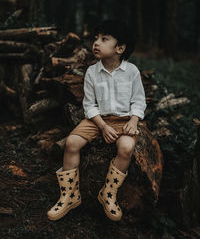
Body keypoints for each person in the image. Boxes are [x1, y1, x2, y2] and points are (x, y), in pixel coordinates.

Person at [47, 20, 147, 222]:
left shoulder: (132, 72)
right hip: (96, 120)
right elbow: (89, 105)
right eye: (95, 39)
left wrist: (134, 120)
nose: (96, 43)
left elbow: (139, 100)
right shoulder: (92, 72)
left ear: (120, 48)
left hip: (124, 119)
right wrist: (102, 126)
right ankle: (69, 195)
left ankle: (108, 194)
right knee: (72, 143)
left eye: (104, 39)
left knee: (127, 147)